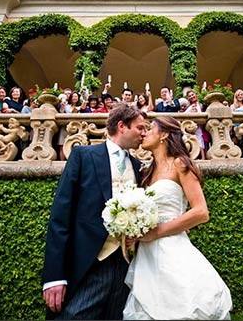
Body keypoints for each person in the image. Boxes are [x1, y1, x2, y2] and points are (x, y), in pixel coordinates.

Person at [42, 104, 147, 320]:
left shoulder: (139, 166)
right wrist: (54, 277)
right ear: (121, 126)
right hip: (89, 264)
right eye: (140, 128)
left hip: (126, 267)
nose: (144, 133)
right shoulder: (83, 155)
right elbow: (60, 217)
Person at [123, 115, 232, 319]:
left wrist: (156, 233)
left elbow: (201, 212)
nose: (144, 133)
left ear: (164, 134)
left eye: (149, 129)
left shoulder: (180, 164)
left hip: (171, 249)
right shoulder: (146, 172)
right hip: (146, 255)